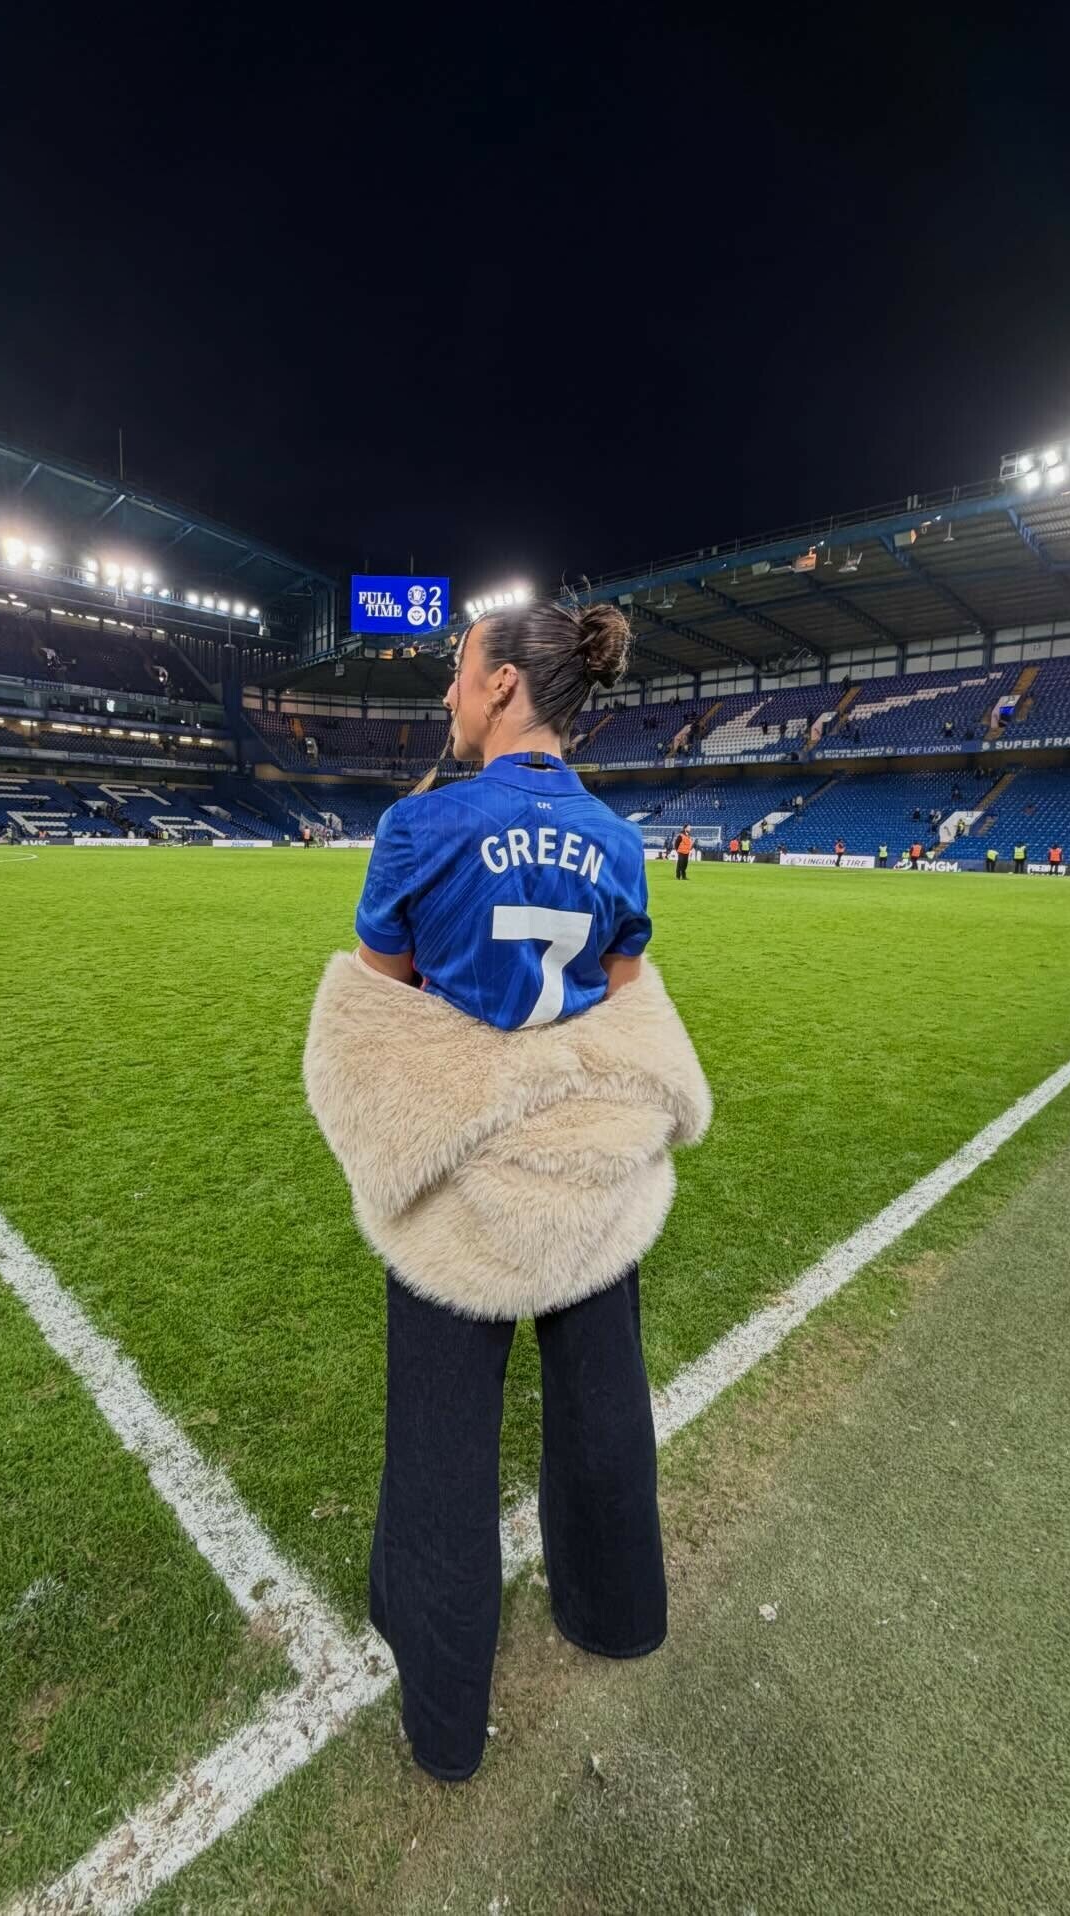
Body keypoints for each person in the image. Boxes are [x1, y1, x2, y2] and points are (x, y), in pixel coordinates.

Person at [304, 596, 711, 1786]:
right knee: (604, 1411)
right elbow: (624, 999)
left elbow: (384, 1008)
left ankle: (445, 1719)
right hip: (588, 1176)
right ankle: (618, 1610)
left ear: (499, 686)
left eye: (456, 668)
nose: (445, 690)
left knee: (441, 1455)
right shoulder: (621, 841)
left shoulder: (418, 826)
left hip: (464, 1188)